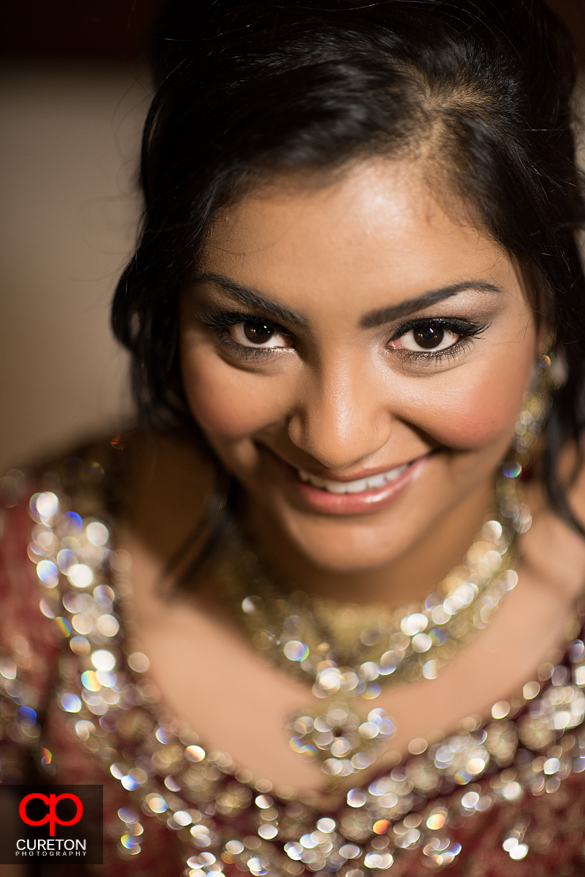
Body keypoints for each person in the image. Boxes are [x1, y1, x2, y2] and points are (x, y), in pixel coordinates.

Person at [2, 0, 585, 873]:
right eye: (254, 331)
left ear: (547, 306)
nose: (336, 437)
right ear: (173, 310)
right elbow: (43, 847)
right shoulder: (37, 594)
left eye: (427, 335)